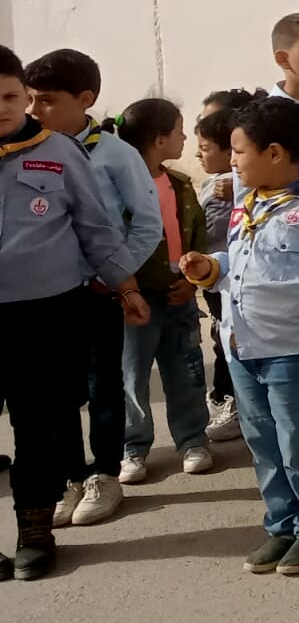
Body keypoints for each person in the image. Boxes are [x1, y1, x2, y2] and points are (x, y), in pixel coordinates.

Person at [179, 95, 299, 578]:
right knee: (263, 442)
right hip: (244, 348)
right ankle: (282, 523)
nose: (232, 161)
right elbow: (246, 268)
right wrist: (209, 269)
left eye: (238, 151)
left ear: (276, 153)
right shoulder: (251, 204)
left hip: (296, 353)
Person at [0, 45, 148, 580]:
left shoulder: (60, 153)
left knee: (38, 425)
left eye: (11, 96)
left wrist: (126, 286)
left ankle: (35, 531)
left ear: (24, 97)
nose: (3, 106)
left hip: (45, 313)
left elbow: (96, 229)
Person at [24, 48, 164, 531]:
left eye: (46, 101)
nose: (34, 111)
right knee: (56, 393)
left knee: (105, 386)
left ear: (84, 100)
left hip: (101, 290)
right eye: (30, 101)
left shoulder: (117, 154)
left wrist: (116, 276)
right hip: (47, 294)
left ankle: (105, 474)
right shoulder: (29, 150)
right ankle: (70, 477)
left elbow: (146, 224)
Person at [114, 98, 214, 484]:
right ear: (159, 140)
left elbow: (197, 234)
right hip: (135, 298)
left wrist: (193, 281)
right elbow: (111, 239)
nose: (186, 136)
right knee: (130, 377)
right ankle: (133, 448)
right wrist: (127, 288)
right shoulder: (120, 186)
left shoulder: (180, 184)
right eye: (179, 129)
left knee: (186, 371)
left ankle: (192, 440)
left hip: (180, 294)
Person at [193, 91, 258, 443]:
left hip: (241, 281)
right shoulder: (212, 186)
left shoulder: (235, 187)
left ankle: (235, 401)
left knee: (234, 343)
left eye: (204, 148)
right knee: (223, 340)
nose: (198, 155)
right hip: (216, 280)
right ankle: (229, 398)